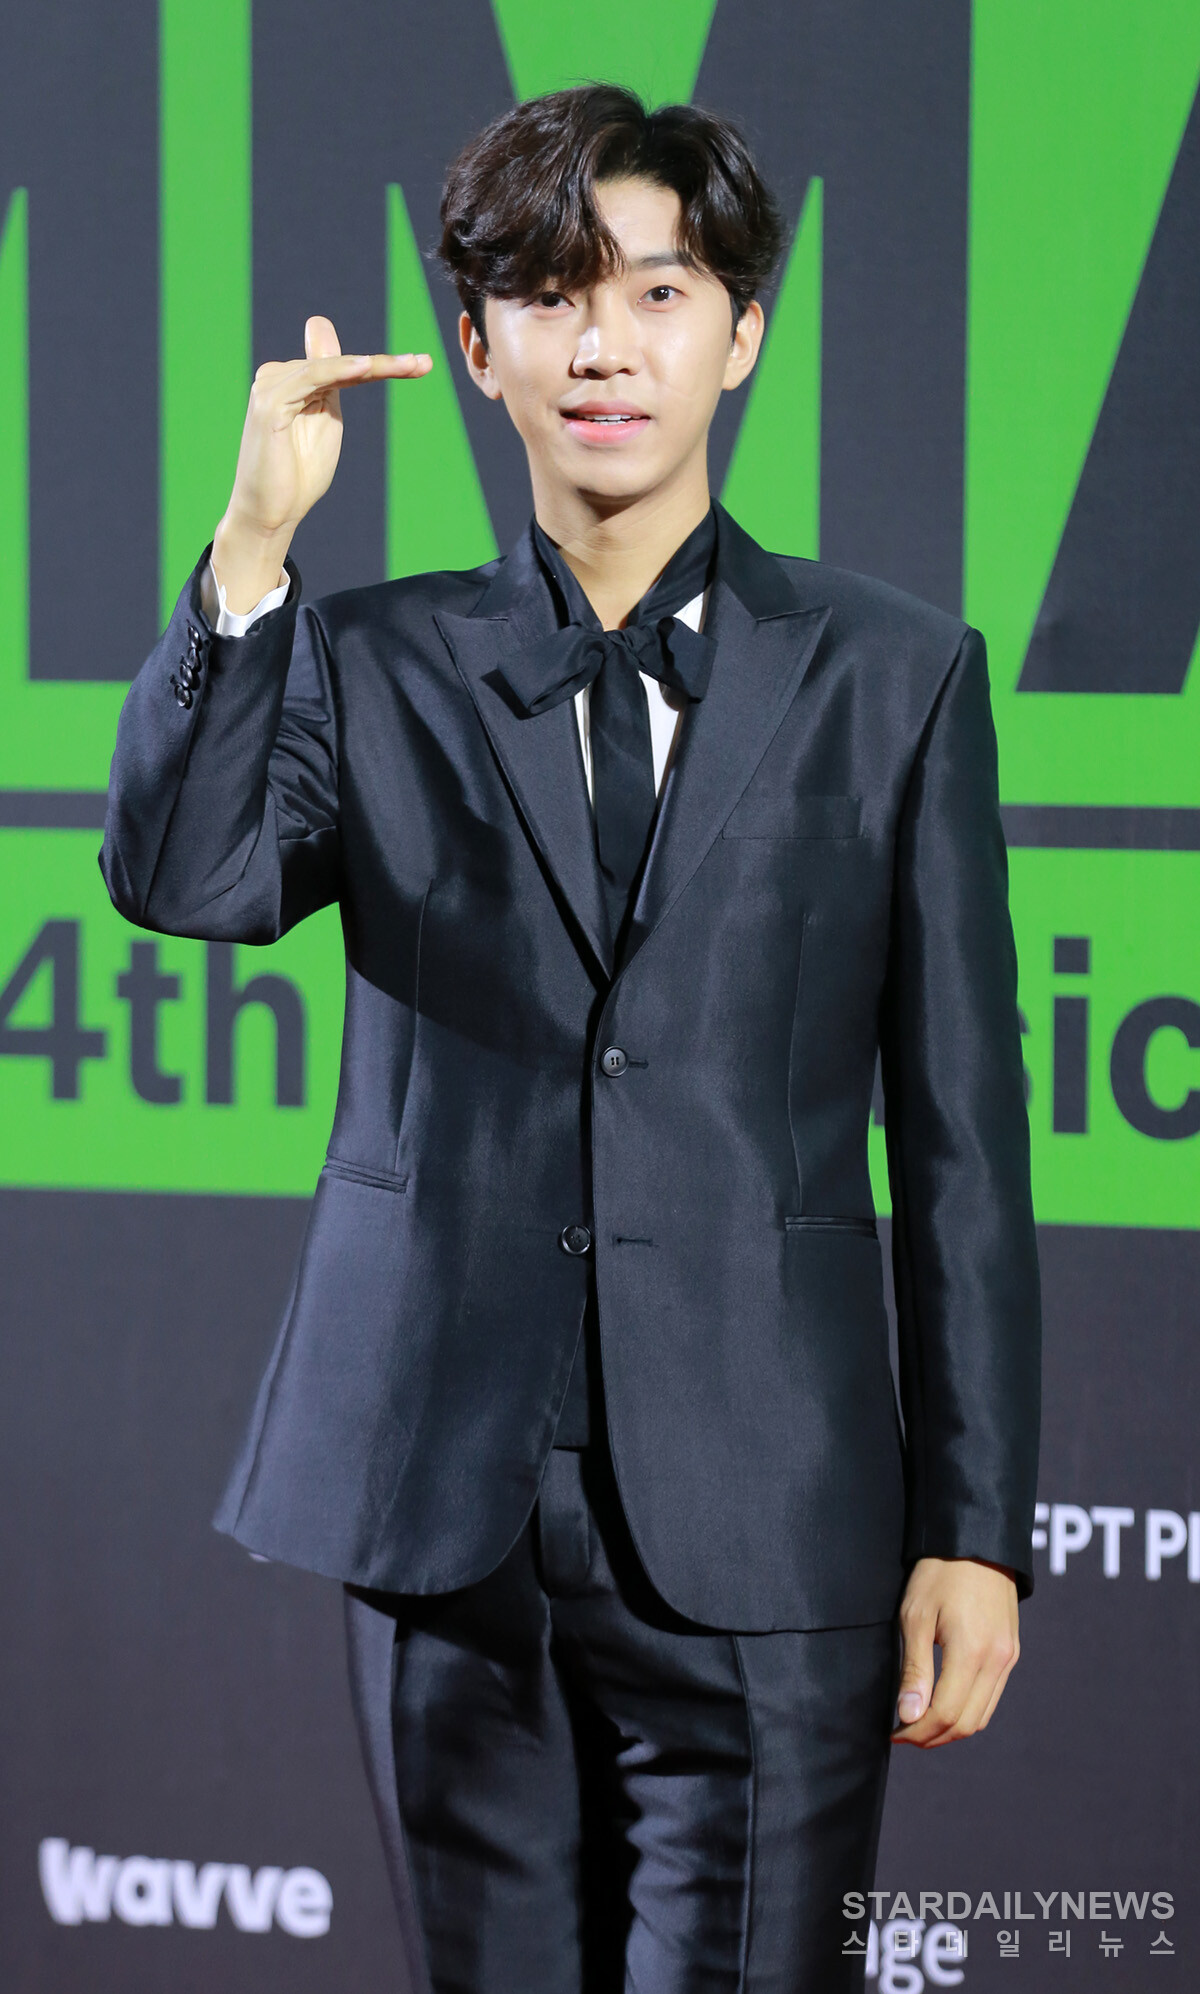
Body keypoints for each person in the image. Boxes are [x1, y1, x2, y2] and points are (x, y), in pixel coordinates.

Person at [101, 83, 1040, 1994]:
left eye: (658, 292)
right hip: (446, 1513)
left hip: (775, 1519)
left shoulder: (896, 677)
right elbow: (186, 878)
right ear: (478, 347)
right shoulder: (365, 660)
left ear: (741, 334)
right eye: (549, 294)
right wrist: (251, 551)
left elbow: (963, 1139)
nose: (603, 344)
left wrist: (978, 1528)